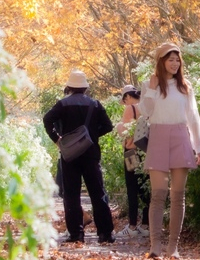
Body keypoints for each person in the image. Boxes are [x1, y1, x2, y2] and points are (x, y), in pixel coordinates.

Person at [139, 42, 200, 259]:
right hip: (158, 137)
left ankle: (173, 247)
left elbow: (193, 118)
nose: (175, 63)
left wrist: (199, 147)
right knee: (158, 196)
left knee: (178, 196)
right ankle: (155, 246)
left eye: (177, 60)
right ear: (161, 61)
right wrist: (150, 87)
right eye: (170, 59)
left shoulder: (185, 87)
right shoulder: (151, 86)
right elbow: (146, 112)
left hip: (180, 137)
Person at [43, 70, 115, 244]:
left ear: (69, 87)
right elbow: (108, 126)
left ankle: (76, 234)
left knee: (72, 195)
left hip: (70, 156)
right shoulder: (95, 104)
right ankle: (105, 233)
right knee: (98, 193)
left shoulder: (62, 104)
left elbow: (47, 119)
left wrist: (58, 139)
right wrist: (92, 136)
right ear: (85, 88)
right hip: (91, 154)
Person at [115, 85, 150, 238]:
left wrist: (118, 126)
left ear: (128, 97)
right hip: (147, 152)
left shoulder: (131, 109)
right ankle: (147, 225)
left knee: (132, 188)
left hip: (131, 153)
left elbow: (125, 131)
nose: (124, 103)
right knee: (146, 188)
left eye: (124, 100)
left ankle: (132, 226)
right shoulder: (148, 107)